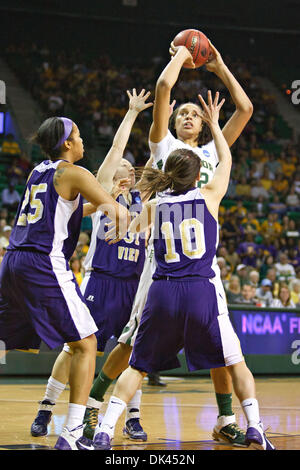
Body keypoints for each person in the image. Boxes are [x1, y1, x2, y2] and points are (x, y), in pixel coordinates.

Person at [89, 92, 274, 451]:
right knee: (232, 358)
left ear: (166, 174)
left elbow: (128, 228)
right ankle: (255, 426)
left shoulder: (156, 204)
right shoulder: (209, 195)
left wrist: (117, 220)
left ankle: (103, 428)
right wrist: (217, 125)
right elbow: (227, 158)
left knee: (138, 365)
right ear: (196, 174)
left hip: (163, 288)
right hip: (201, 288)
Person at [111, 40, 253, 448]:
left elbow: (245, 110)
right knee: (131, 337)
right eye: (183, 113)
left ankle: (226, 418)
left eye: (196, 113)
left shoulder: (212, 150)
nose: (189, 116)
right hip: (164, 260)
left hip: (202, 262)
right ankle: (94, 409)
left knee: (220, 341)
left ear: (205, 124)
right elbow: (162, 90)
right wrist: (181, 54)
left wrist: (220, 66)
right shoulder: (164, 147)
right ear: (173, 124)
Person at [29, 90, 152, 443]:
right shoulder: (102, 193)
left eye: (132, 168)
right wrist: (130, 114)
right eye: (122, 168)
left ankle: (131, 416)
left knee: (130, 351)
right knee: (77, 347)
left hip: (132, 284)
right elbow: (115, 150)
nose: (127, 169)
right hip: (102, 281)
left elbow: (159, 161)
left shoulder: (145, 204)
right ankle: (47, 406)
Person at [0, 116, 130, 450]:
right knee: (86, 343)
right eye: (79, 135)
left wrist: (104, 201)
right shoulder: (75, 172)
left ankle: (59, 419)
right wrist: (119, 215)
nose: (83, 140)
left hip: (13, 261)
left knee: (10, 341)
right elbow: (116, 212)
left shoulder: (38, 171)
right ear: (67, 144)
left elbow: (71, 210)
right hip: (43, 261)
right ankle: (72, 433)